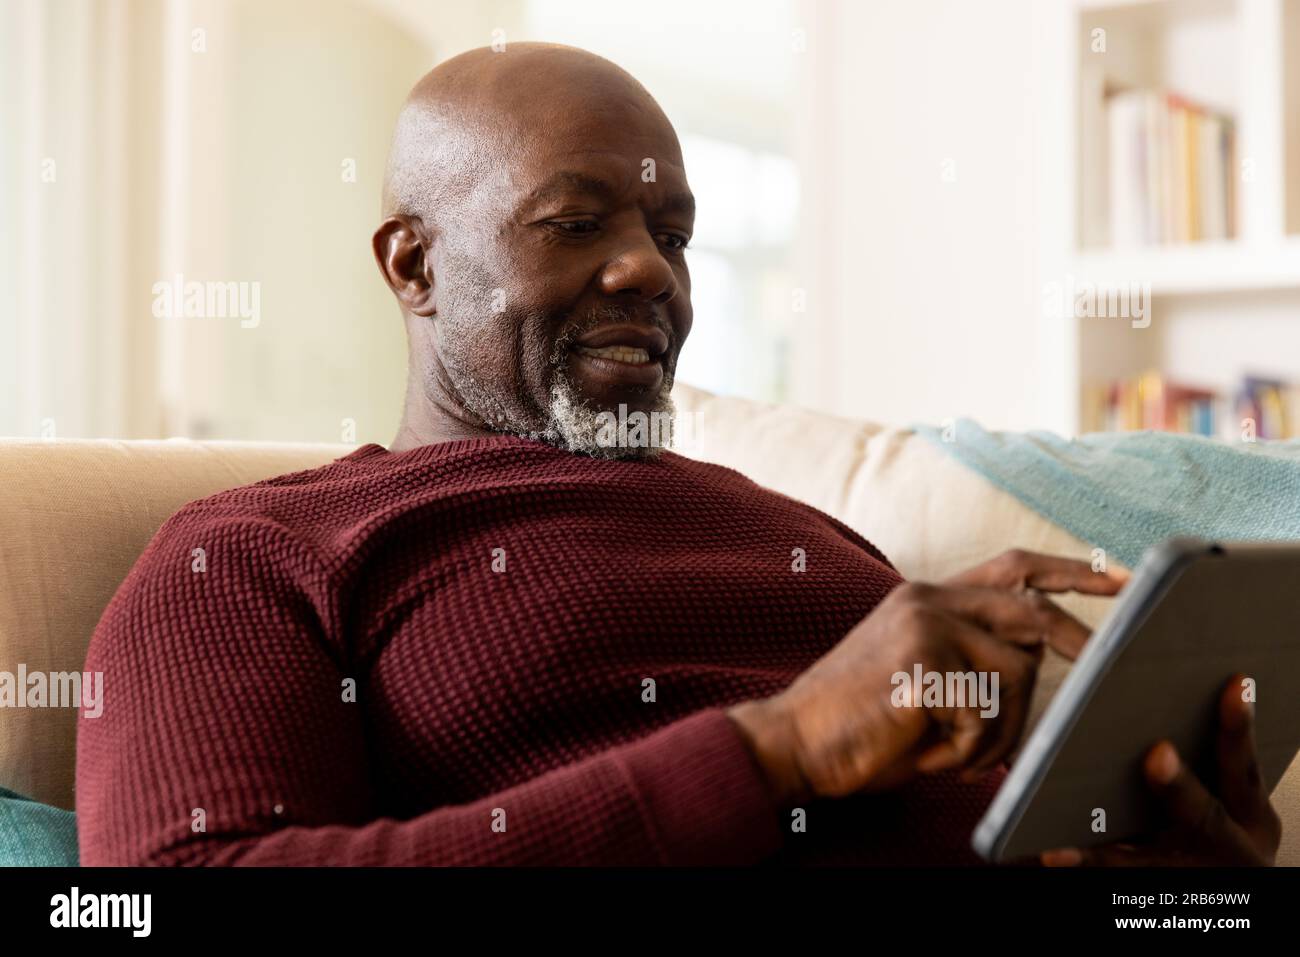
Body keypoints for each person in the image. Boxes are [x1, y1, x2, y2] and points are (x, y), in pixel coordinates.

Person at [76, 43, 1280, 866]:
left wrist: (1177, 878)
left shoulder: (798, 535)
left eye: (672, 232)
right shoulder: (252, 553)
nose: (650, 269)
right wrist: (778, 750)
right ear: (412, 264)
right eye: (575, 222)